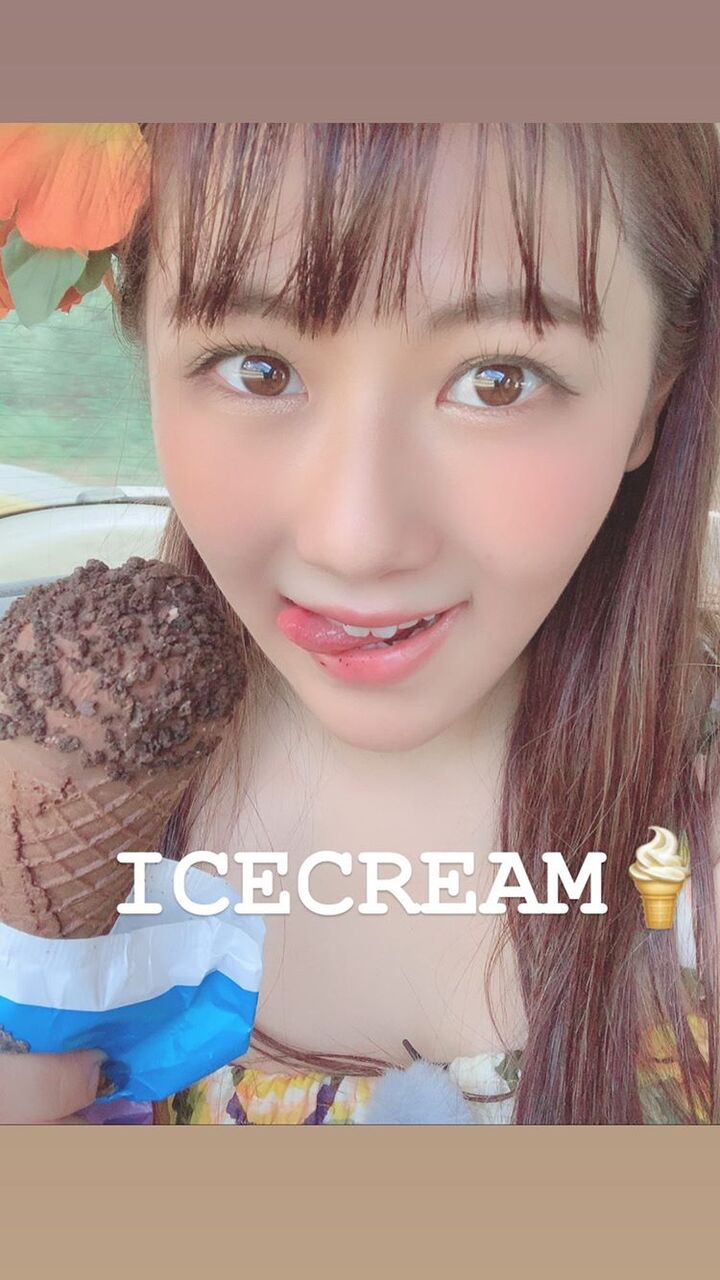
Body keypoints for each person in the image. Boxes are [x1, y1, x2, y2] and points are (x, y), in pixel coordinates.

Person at [2, 123, 719, 1124]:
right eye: (257, 368)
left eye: (499, 378)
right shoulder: (30, 763)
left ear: (652, 399)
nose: (356, 541)